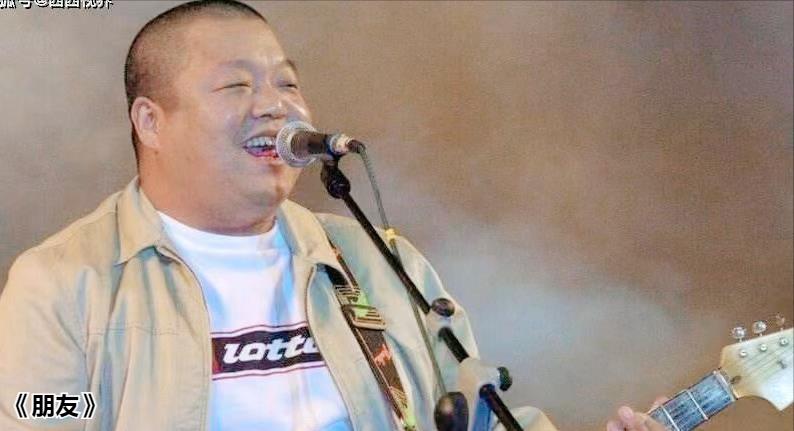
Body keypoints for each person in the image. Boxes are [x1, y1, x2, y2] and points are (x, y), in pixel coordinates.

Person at [0, 1, 562, 430]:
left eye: (288, 83)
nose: (276, 105)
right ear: (151, 122)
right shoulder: (61, 285)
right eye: (236, 85)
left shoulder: (376, 260)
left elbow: (478, 413)